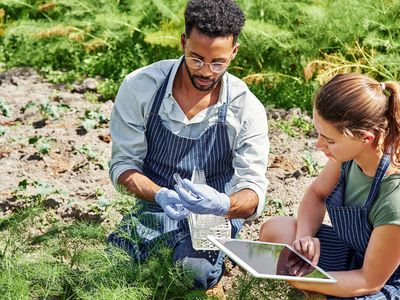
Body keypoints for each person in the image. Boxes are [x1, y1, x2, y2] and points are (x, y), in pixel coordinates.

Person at [107, 0, 269, 290]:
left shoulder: (246, 108)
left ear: (234, 53)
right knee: (114, 264)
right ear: (183, 42)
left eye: (218, 62)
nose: (206, 71)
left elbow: (253, 190)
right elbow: (123, 165)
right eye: (196, 59)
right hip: (154, 206)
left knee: (190, 273)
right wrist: (159, 195)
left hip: (214, 216)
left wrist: (223, 204)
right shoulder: (141, 87)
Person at [259, 73, 400, 299]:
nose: (318, 145)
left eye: (330, 140)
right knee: (276, 230)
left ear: (366, 138)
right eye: (319, 134)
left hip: (382, 279)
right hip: (355, 252)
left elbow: (369, 281)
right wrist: (304, 239)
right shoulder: (348, 158)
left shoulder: (394, 198)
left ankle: (318, 292)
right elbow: (316, 194)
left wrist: (302, 279)